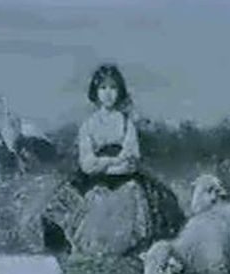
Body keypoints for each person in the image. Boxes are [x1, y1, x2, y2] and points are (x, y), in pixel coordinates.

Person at [41, 63, 184, 256]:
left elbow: (131, 160)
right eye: (103, 88)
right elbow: (87, 164)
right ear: (95, 92)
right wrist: (112, 161)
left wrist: (108, 164)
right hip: (91, 180)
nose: (108, 93)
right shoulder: (88, 125)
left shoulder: (126, 124)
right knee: (56, 210)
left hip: (125, 179)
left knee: (161, 204)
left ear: (120, 91)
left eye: (113, 88)